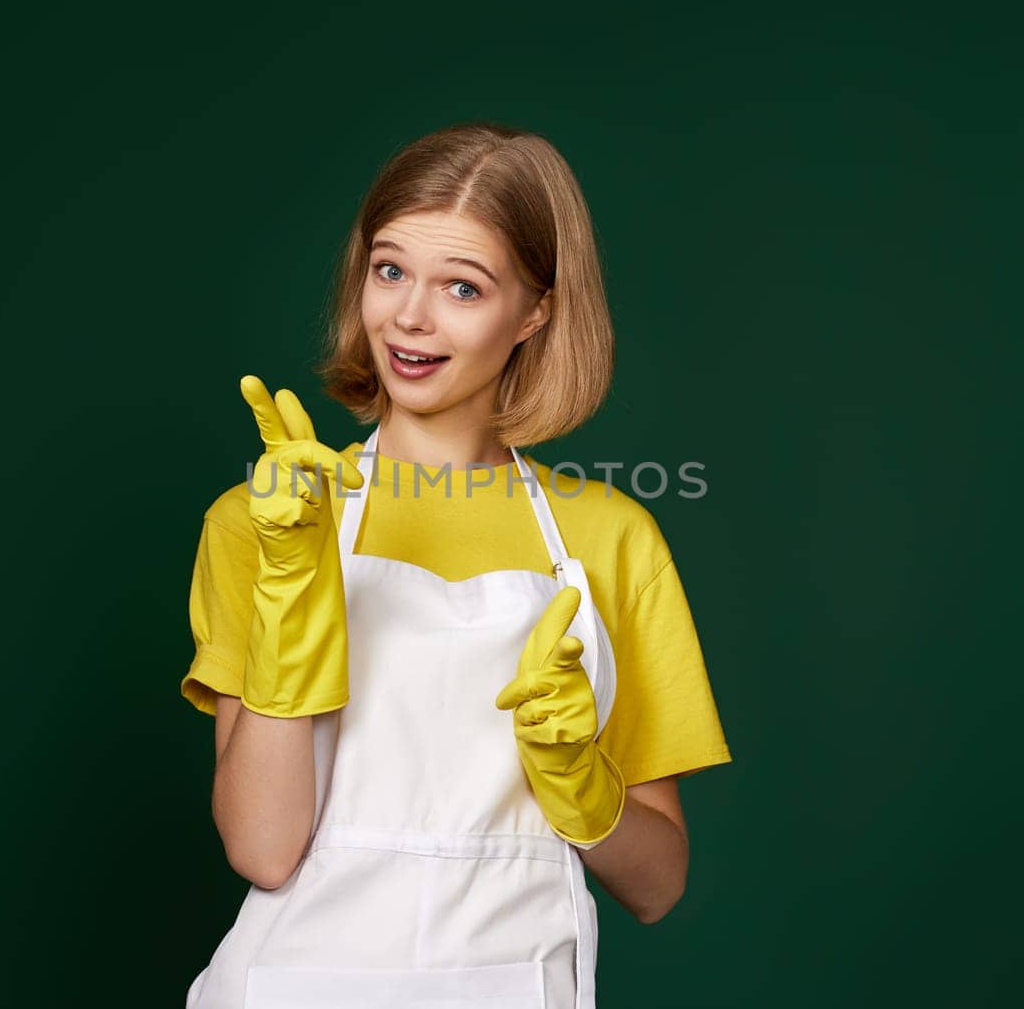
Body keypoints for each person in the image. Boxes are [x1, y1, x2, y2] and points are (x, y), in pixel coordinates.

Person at [180, 122, 731, 1008]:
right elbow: (263, 847)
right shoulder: (267, 519)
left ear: (536, 310)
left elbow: (657, 884)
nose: (409, 317)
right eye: (389, 269)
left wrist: (581, 783)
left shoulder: (611, 539)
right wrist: (293, 581)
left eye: (463, 287)